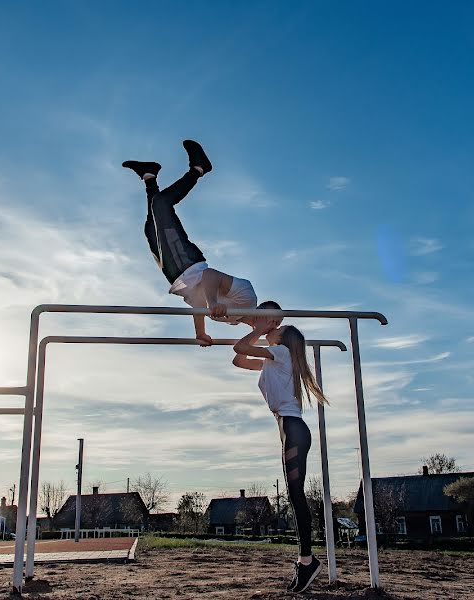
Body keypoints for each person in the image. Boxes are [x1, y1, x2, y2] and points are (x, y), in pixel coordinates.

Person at [124, 140, 267, 345]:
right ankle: (199, 169)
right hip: (187, 264)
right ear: (262, 312)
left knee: (151, 227)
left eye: (275, 323)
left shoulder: (234, 320)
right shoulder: (247, 299)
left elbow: (198, 300)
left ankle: (149, 175)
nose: (271, 324)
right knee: (162, 205)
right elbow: (209, 276)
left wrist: (200, 331)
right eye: (271, 318)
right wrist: (213, 303)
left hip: (177, 277)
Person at [232, 321, 326, 593]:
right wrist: (260, 336)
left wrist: (259, 329)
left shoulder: (280, 353)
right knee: (294, 495)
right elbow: (238, 358)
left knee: (296, 496)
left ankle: (307, 560)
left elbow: (241, 346)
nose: (272, 329)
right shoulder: (273, 361)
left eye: (276, 328)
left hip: (293, 430)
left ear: (283, 339)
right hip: (289, 430)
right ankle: (306, 560)